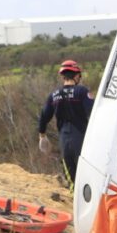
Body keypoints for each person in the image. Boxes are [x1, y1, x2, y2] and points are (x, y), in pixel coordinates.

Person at [38, 59, 94, 188]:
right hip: (81, 139)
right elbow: (94, 112)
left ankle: (75, 203)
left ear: (63, 76)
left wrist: (42, 135)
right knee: (87, 177)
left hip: (64, 141)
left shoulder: (54, 95)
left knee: (71, 178)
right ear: (76, 76)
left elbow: (44, 116)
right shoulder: (82, 91)